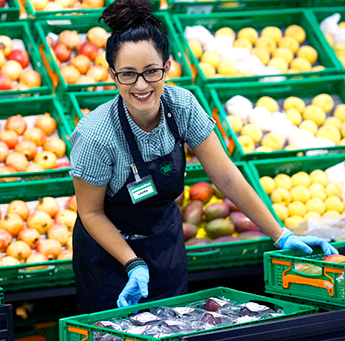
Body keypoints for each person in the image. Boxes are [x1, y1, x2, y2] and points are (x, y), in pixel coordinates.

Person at [69, 0, 338, 314]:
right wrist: (133, 263)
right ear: (113, 75)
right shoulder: (96, 134)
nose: (141, 85)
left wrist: (281, 234)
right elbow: (90, 213)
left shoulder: (181, 105)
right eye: (128, 74)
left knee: (173, 326)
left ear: (167, 67)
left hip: (164, 246)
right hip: (109, 260)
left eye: (151, 72)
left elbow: (226, 177)